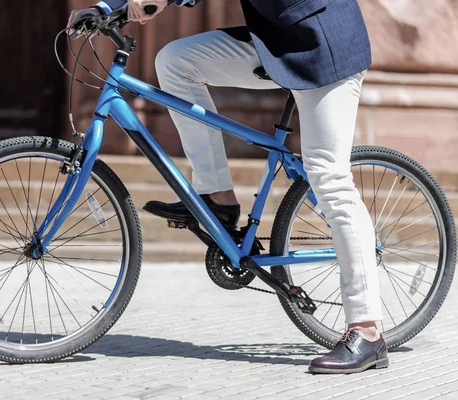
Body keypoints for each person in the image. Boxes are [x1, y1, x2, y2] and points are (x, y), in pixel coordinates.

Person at [68, 0, 387, 374]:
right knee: (175, 61)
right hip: (276, 43)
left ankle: (367, 332)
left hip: (323, 45)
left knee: (329, 178)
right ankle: (217, 197)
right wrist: (111, 6)